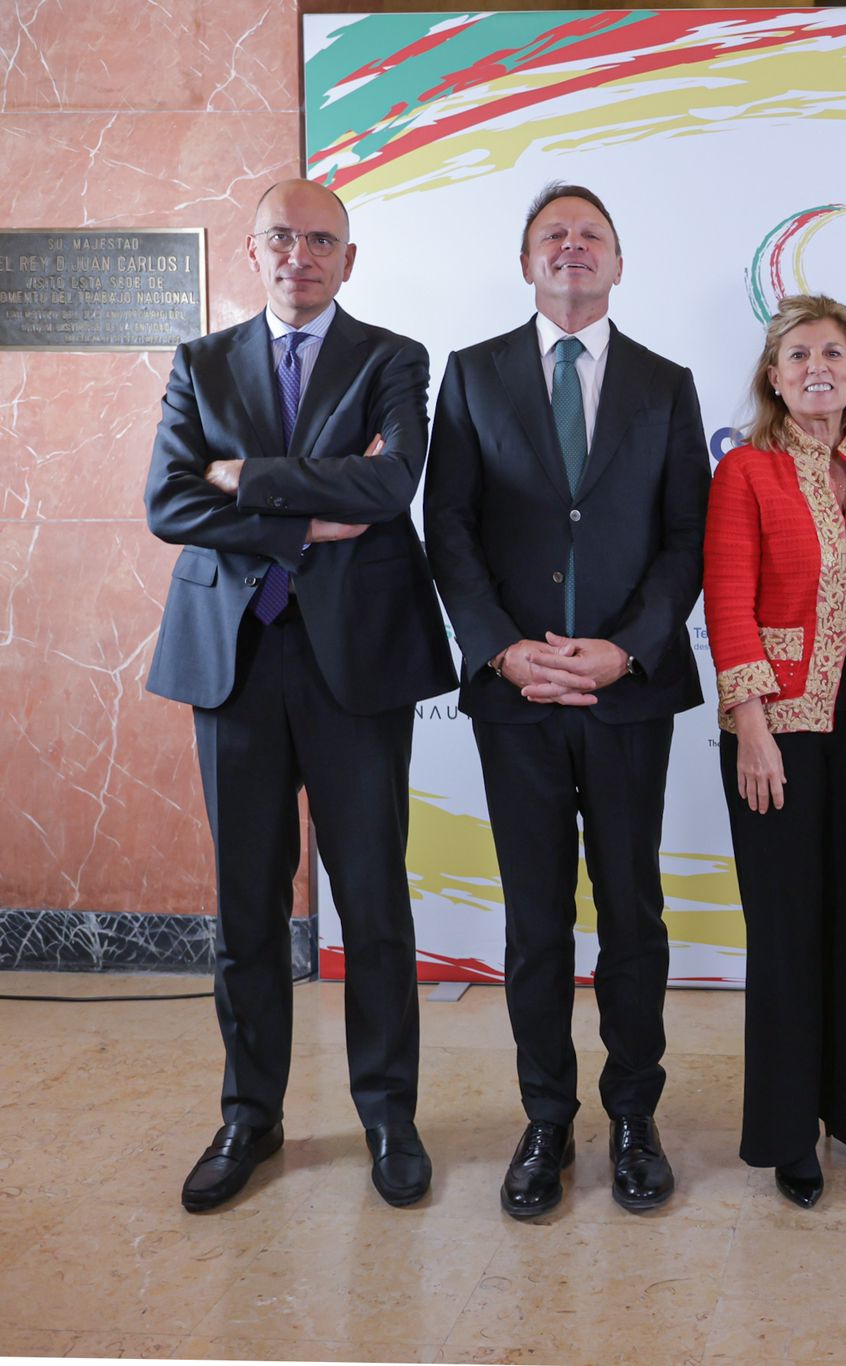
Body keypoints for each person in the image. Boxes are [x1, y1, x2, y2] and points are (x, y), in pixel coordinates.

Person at [143, 178, 455, 1213]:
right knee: (246, 902)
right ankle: (250, 1115)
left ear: (348, 259)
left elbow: (390, 486)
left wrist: (245, 476)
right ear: (253, 250)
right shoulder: (201, 362)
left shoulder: (392, 358)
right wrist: (303, 516)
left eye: (322, 240)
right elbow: (168, 501)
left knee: (371, 899)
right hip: (233, 662)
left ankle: (388, 1115)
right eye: (282, 237)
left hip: (357, 661)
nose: (300, 256)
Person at [423, 182, 710, 1219]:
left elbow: (686, 537)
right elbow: (449, 527)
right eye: (555, 235)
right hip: (520, 701)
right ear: (527, 263)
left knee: (632, 914)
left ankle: (634, 1116)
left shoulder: (666, 384)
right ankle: (545, 1117)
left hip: (626, 697)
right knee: (536, 920)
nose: (573, 247)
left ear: (619, 263)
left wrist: (627, 651)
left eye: (592, 235)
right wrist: (503, 651)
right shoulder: (472, 375)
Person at [703, 295, 846, 1209]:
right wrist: (751, 725)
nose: (817, 367)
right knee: (788, 935)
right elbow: (727, 599)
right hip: (777, 732)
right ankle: (790, 1134)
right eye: (799, 355)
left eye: (834, 353)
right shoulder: (744, 470)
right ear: (774, 376)